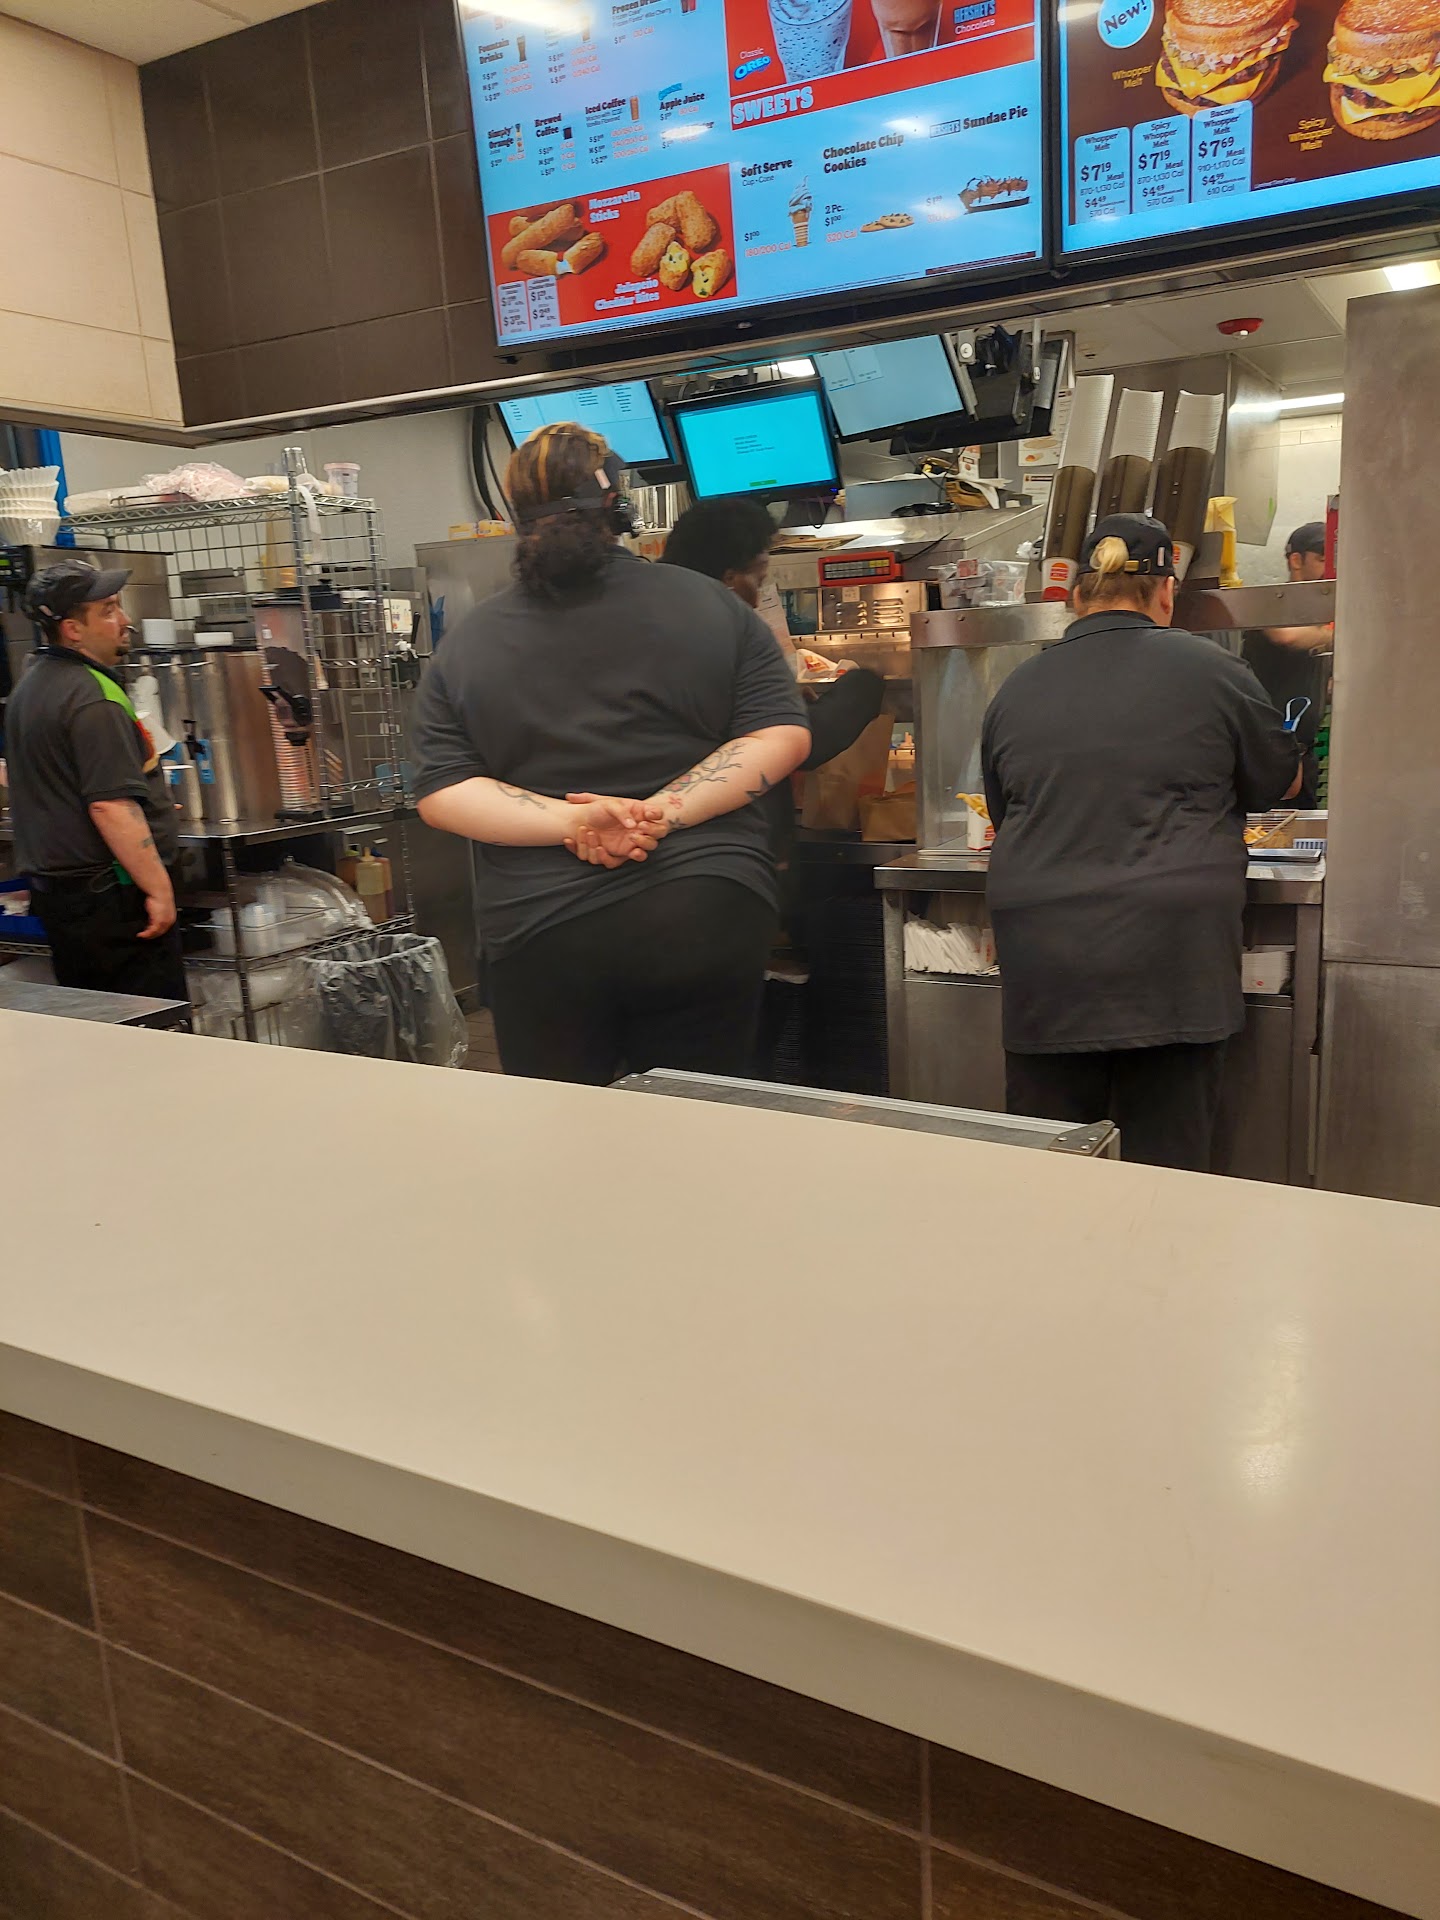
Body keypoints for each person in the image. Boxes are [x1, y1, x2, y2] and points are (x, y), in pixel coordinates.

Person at [412, 423, 810, 1084]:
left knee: (566, 1134)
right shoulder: (712, 605)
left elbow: (444, 790)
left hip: (543, 932)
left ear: (514, 516)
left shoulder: (466, 644)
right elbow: (780, 736)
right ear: (618, 507)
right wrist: (661, 813)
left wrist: (575, 821)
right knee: (695, 1120)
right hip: (705, 910)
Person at [980, 514, 1300, 1172]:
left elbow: (1003, 811)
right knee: (1164, 1176)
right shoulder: (1216, 671)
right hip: (1170, 964)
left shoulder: (1015, 688)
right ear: (1166, 592)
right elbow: (1280, 781)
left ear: (1077, 596)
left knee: (1052, 1172)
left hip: (1046, 969)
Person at [660, 498, 887, 856]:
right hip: (728, 844)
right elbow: (806, 743)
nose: (757, 599)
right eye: (759, 579)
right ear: (730, 579)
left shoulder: (648, 621)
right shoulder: (728, 631)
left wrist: (780, 699)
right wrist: (864, 686)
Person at [6, 561, 185, 1000]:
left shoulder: (30, 687)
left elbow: (58, 783)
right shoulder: (93, 696)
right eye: (108, 610)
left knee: (100, 1020)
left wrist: (150, 809)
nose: (125, 620)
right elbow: (110, 806)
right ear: (72, 630)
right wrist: (158, 889)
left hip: (64, 900)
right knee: (150, 1025)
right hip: (112, 902)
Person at [1241, 521, 1333, 806]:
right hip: (1266, 755)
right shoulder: (1271, 601)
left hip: (1304, 754)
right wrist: (1338, 633)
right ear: (1296, 560)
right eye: (1322, 560)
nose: (1330, 571)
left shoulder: (1322, 615)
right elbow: (1287, 636)